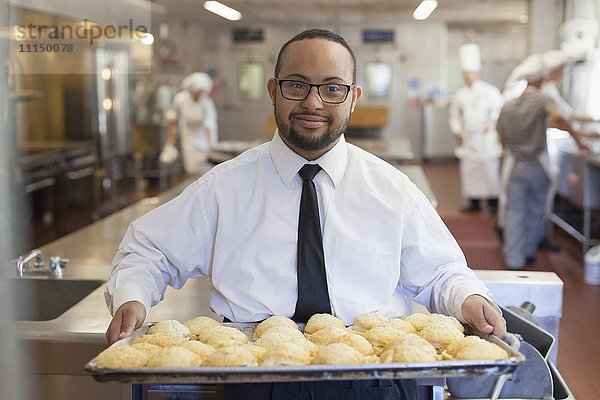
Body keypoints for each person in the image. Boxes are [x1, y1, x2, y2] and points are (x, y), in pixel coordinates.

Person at [105, 29, 507, 399]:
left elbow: (441, 272)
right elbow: (149, 251)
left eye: (333, 88)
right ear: (273, 91)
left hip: (376, 379)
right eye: (297, 85)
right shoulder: (224, 188)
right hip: (258, 379)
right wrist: (133, 296)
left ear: (354, 97)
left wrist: (468, 298)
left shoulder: (391, 189)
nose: (313, 102)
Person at [496, 54, 588, 270]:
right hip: (537, 165)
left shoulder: (507, 105)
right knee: (536, 209)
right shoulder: (542, 100)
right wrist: (578, 140)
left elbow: (502, 139)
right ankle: (528, 252)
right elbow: (560, 117)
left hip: (514, 166)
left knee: (514, 212)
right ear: (539, 79)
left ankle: (514, 260)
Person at [449, 44, 504, 214]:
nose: (469, 76)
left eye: (472, 73)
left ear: (478, 72)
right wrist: (458, 131)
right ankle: (473, 202)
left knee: (490, 170)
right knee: (470, 171)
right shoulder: (460, 94)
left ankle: (493, 202)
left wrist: (492, 121)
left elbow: (498, 109)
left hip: (486, 137)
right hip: (469, 138)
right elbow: (454, 115)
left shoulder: (490, 91)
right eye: (466, 73)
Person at [159, 72, 218, 175]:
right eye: (198, 91)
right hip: (189, 137)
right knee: (191, 169)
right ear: (192, 90)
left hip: (204, 137)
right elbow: (173, 120)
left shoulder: (207, 103)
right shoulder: (180, 99)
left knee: (208, 170)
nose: (200, 94)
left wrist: (211, 148)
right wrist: (169, 142)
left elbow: (209, 127)